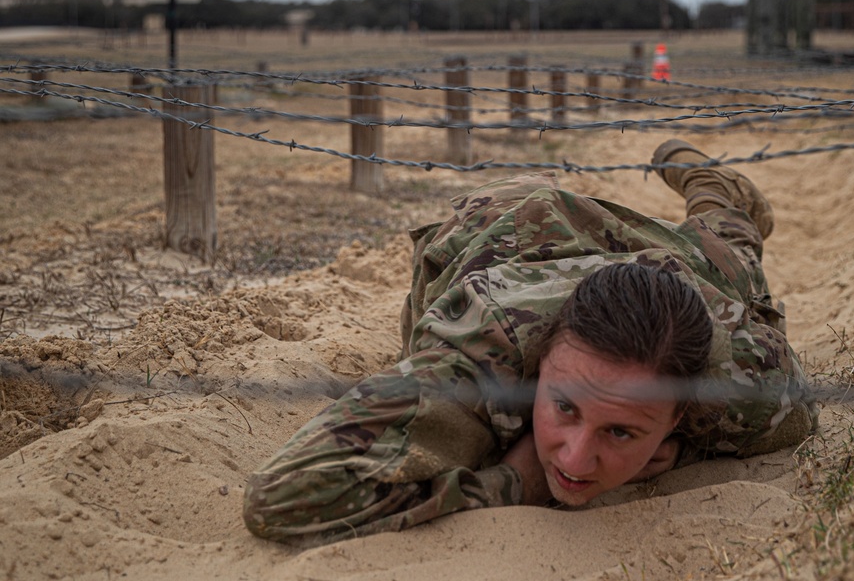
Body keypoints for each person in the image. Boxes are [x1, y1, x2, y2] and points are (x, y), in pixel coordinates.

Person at [243, 140, 815, 543]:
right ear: (538, 366)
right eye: (563, 406)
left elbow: (797, 409)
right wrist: (518, 481)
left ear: (680, 415)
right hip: (506, 224)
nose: (574, 458)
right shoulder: (477, 358)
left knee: (731, 258)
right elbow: (281, 498)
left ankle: (713, 188)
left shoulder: (740, 378)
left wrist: (686, 451)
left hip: (664, 265)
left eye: (621, 431)